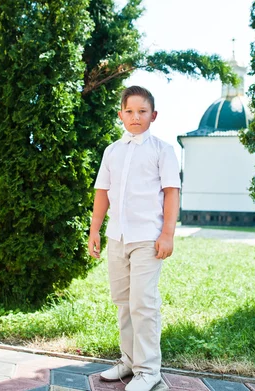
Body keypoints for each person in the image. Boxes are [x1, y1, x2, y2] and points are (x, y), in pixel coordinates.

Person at [88, 85, 180, 391]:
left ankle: (148, 370)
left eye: (142, 111)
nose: (135, 117)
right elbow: (102, 192)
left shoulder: (162, 151)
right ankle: (128, 361)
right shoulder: (112, 151)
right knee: (123, 302)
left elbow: (171, 193)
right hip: (118, 237)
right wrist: (95, 230)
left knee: (143, 303)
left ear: (153, 115)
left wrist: (167, 234)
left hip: (147, 239)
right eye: (129, 111)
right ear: (120, 115)